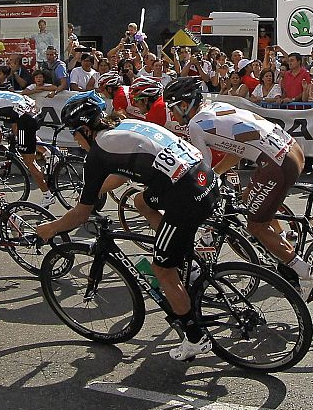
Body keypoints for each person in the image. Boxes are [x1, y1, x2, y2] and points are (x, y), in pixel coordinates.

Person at [34, 92, 220, 361]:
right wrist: (95, 190)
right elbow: (123, 171)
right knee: (141, 201)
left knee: (162, 270)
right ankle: (185, 259)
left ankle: (195, 339)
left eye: (74, 133)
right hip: (205, 178)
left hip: (187, 196)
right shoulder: (124, 125)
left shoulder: (97, 153)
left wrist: (51, 228)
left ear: (86, 129)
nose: (74, 139)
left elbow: (81, 216)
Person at [165, 76, 313, 296]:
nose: (171, 114)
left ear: (184, 105)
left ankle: (306, 273)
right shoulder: (218, 106)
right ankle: (282, 243)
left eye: (172, 108)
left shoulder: (195, 125)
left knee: (256, 227)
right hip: (291, 149)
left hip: (277, 164)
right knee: (248, 199)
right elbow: (236, 151)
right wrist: (217, 174)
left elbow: (202, 173)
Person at [0, 81, 53, 203]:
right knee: (21, 133)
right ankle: (49, 155)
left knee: (29, 161)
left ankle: (47, 196)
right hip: (34, 110)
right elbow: (13, 116)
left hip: (27, 119)